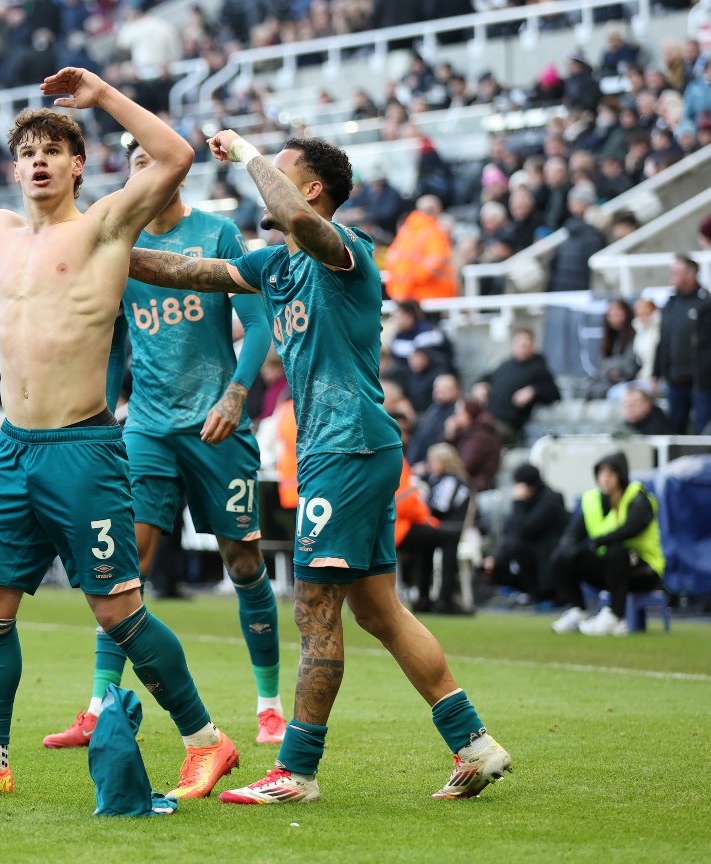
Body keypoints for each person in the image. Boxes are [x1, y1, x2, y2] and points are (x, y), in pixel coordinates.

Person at [127, 132, 511, 804]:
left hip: (347, 449)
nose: (264, 184)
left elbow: (306, 222)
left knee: (313, 611)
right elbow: (185, 273)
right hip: (346, 450)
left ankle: (296, 770)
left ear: (307, 188)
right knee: (381, 613)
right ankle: (474, 743)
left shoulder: (347, 252)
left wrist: (247, 153)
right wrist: (94, 247)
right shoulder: (277, 266)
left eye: (280, 174)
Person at [0, 71, 238, 802]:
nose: (38, 160)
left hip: (83, 449)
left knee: (117, 613)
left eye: (53, 149)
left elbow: (178, 156)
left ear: (77, 164)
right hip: (13, 448)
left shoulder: (104, 225)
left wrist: (101, 95)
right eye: (26, 149)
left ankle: (208, 743)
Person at [42, 139, 284, 750]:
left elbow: (257, 324)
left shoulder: (219, 234)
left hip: (215, 426)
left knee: (243, 561)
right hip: (147, 426)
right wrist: (97, 413)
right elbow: (116, 344)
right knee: (125, 566)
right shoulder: (118, 244)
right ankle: (98, 706)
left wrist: (236, 394)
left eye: (156, 160)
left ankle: (269, 703)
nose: (147, 169)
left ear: (180, 173)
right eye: (137, 162)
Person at [551, 452, 664, 636]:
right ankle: (578, 610)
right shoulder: (591, 500)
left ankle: (616, 617)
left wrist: (596, 541)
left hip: (644, 570)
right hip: (609, 570)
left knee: (616, 550)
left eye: (611, 474)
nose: (605, 479)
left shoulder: (637, 497)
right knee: (562, 557)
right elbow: (574, 532)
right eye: (601, 474)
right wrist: (568, 545)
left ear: (621, 475)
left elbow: (630, 529)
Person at [652, 255, 711, 433]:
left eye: (676, 273)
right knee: (674, 429)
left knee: (705, 428)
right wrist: (656, 372)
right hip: (675, 379)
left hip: (703, 380)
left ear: (691, 274)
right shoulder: (670, 304)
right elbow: (663, 340)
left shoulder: (710, 303)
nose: (672, 277)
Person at [400, 444, 474, 615]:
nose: (430, 463)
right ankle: (428, 598)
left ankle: (442, 598)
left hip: (449, 526)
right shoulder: (436, 479)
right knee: (425, 544)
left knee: (442, 540)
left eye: (434, 460)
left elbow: (440, 507)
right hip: (437, 526)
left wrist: (421, 511)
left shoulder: (452, 480)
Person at [482, 464, 568, 604]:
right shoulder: (525, 502)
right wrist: (496, 557)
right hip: (532, 559)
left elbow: (527, 530)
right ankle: (524, 593)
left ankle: (536, 595)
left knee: (516, 547)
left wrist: (518, 503)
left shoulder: (551, 499)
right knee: (496, 563)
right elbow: (510, 532)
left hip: (547, 560)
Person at [472, 328, 561, 444]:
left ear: (533, 345)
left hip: (509, 425)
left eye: (526, 344)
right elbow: (486, 377)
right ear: (513, 345)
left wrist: (533, 391)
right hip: (487, 418)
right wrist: (479, 385)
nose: (523, 347)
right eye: (520, 343)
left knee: (479, 435)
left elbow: (554, 394)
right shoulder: (505, 365)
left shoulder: (539, 369)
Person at [382, 195, 457, 302]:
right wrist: (412, 279)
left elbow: (391, 259)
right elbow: (435, 263)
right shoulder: (435, 232)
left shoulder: (405, 231)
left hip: (403, 295)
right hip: (430, 295)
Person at [443, 398, 502, 493]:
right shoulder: (466, 432)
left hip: (475, 485)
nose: (455, 417)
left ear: (469, 415)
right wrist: (450, 436)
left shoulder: (480, 436)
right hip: (465, 483)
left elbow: (464, 466)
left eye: (459, 413)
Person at [587, 298, 640, 400]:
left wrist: (613, 370)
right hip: (608, 381)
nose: (614, 317)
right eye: (611, 314)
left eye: (617, 312)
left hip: (628, 382)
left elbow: (629, 366)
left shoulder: (635, 335)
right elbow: (603, 366)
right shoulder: (610, 338)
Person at [408, 373, 460, 467]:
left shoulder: (457, 413)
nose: (438, 390)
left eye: (445, 387)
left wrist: (426, 465)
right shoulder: (433, 409)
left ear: (456, 391)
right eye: (436, 387)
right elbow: (419, 440)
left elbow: (443, 444)